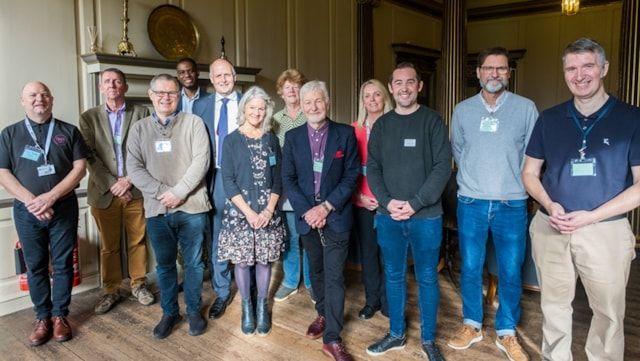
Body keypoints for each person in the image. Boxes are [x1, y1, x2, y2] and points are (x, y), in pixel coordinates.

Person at [522, 38, 640, 361]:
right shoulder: (548, 119)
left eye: (587, 65)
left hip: (605, 231)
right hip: (551, 226)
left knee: (609, 313)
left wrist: (590, 216)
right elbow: (529, 173)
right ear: (564, 73)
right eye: (571, 68)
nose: (579, 75)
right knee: (553, 307)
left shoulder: (632, 118)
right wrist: (549, 205)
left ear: (603, 68)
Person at [447, 47, 538, 361]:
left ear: (509, 73)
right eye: (488, 68)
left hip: (511, 204)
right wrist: (477, 178)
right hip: (471, 201)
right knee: (471, 267)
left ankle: (506, 332)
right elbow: (459, 151)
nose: (494, 74)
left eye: (501, 69)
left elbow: (533, 155)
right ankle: (472, 324)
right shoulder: (462, 110)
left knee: (511, 270)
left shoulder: (526, 109)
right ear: (478, 73)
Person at [366, 62, 451, 360]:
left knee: (427, 277)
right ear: (391, 88)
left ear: (419, 86)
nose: (404, 88)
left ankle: (428, 340)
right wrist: (388, 202)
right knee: (393, 275)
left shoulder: (433, 121)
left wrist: (414, 203)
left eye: (410, 82)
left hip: (426, 217)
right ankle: (396, 334)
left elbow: (443, 167)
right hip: (388, 216)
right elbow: (373, 168)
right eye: (398, 83)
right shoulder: (382, 125)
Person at [0, 81, 88, 346]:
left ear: (52, 99)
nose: (39, 99)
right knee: (35, 265)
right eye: (33, 95)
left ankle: (60, 315)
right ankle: (42, 318)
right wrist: (32, 202)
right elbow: (3, 173)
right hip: (27, 212)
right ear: (23, 101)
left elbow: (79, 169)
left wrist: (50, 197)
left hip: (63, 208)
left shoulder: (68, 131)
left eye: (44, 94)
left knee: (62, 264)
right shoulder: (9, 134)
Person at [127, 74, 210, 339]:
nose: (166, 97)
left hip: (193, 208)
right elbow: (134, 168)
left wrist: (179, 192)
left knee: (194, 265)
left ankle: (195, 311)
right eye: (160, 93)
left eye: (172, 93)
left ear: (179, 95)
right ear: (150, 95)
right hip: (157, 210)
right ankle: (170, 312)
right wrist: (165, 193)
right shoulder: (139, 129)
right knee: (164, 266)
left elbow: (201, 161)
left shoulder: (194, 123)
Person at [282, 80, 359, 361]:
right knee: (316, 273)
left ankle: (332, 338)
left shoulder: (345, 134)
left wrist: (325, 207)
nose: (314, 106)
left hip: (335, 216)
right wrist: (308, 211)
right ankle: (324, 315)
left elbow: (351, 176)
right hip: (306, 219)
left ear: (327, 102)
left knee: (335, 276)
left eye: (318, 101)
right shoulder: (292, 138)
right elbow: (288, 179)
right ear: (301, 107)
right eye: (308, 102)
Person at [79, 68, 154, 315]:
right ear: (101, 87)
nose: (112, 85)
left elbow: (148, 151)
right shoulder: (88, 118)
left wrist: (129, 181)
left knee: (137, 240)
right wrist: (115, 184)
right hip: (104, 193)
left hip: (136, 191)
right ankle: (111, 290)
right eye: (107, 82)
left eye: (117, 81)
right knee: (109, 246)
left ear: (125, 86)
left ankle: (139, 284)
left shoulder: (143, 113)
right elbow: (89, 156)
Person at [217, 86, 286, 336]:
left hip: (268, 211)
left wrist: (268, 210)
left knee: (264, 260)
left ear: (266, 111)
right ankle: (247, 307)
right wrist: (249, 212)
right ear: (244, 109)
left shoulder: (271, 139)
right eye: (252, 107)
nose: (257, 112)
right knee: (244, 262)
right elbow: (228, 181)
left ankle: (261, 306)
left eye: (261, 108)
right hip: (240, 213)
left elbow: (279, 178)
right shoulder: (231, 140)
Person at [193, 58, 242, 320]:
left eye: (227, 74)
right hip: (211, 177)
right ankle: (222, 291)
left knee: (246, 232)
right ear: (211, 80)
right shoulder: (200, 105)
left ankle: (250, 288)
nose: (223, 79)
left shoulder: (248, 101)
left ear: (234, 76)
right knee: (218, 235)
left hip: (243, 178)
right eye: (218, 75)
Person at [351, 79, 392, 319]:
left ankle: (388, 302)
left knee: (388, 254)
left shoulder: (395, 125)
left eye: (377, 95)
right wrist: (359, 196)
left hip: (388, 201)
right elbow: (349, 170)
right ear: (362, 101)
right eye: (367, 96)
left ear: (385, 98)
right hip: (362, 200)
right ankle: (372, 300)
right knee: (368, 254)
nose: (372, 100)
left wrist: (386, 199)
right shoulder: (353, 128)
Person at [271, 68, 313, 303]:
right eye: (288, 87)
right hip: (285, 186)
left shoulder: (311, 114)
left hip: (309, 186)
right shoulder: (275, 120)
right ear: (281, 92)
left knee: (309, 236)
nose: (292, 91)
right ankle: (290, 281)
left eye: (296, 87)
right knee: (290, 236)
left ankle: (311, 281)